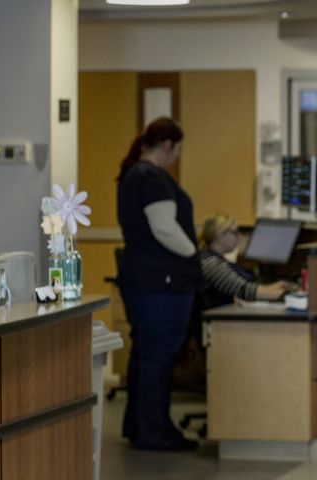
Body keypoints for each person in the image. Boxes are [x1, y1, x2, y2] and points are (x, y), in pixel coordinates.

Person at [116, 116, 201, 451]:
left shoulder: (132, 174)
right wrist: (193, 251)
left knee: (145, 353)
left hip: (141, 279)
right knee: (158, 357)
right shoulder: (151, 177)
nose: (176, 157)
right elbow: (164, 227)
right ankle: (154, 432)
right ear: (167, 145)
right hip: (161, 284)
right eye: (177, 151)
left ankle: (139, 427)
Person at [198, 212, 294, 308]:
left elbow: (244, 287)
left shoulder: (214, 259)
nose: (239, 237)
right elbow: (243, 290)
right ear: (219, 234)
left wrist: (275, 287)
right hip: (217, 320)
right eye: (235, 232)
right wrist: (287, 295)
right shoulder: (211, 263)